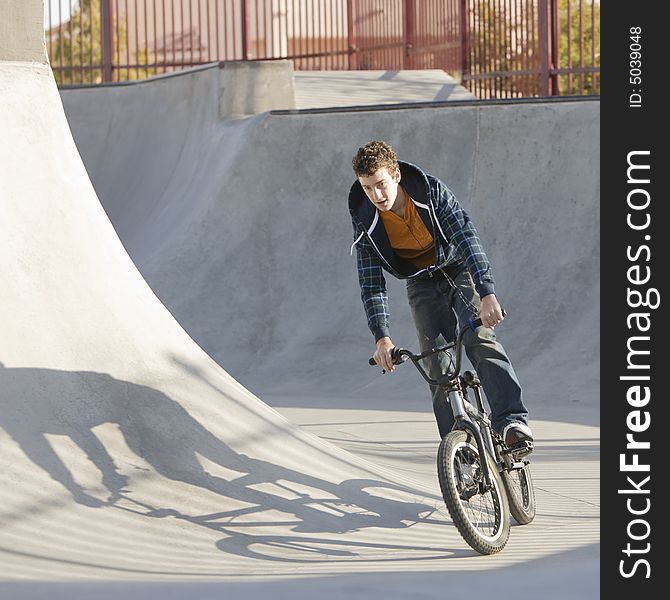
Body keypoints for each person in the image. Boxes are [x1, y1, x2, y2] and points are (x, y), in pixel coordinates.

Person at [348, 140, 532, 451]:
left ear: (395, 175)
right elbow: (371, 282)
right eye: (367, 188)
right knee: (436, 368)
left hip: (456, 270)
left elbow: (465, 236)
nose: (377, 195)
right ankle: (460, 452)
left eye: (381, 184)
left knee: (479, 338)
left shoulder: (429, 191)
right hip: (420, 284)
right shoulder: (364, 217)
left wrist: (486, 292)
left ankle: (511, 421)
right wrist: (382, 338)